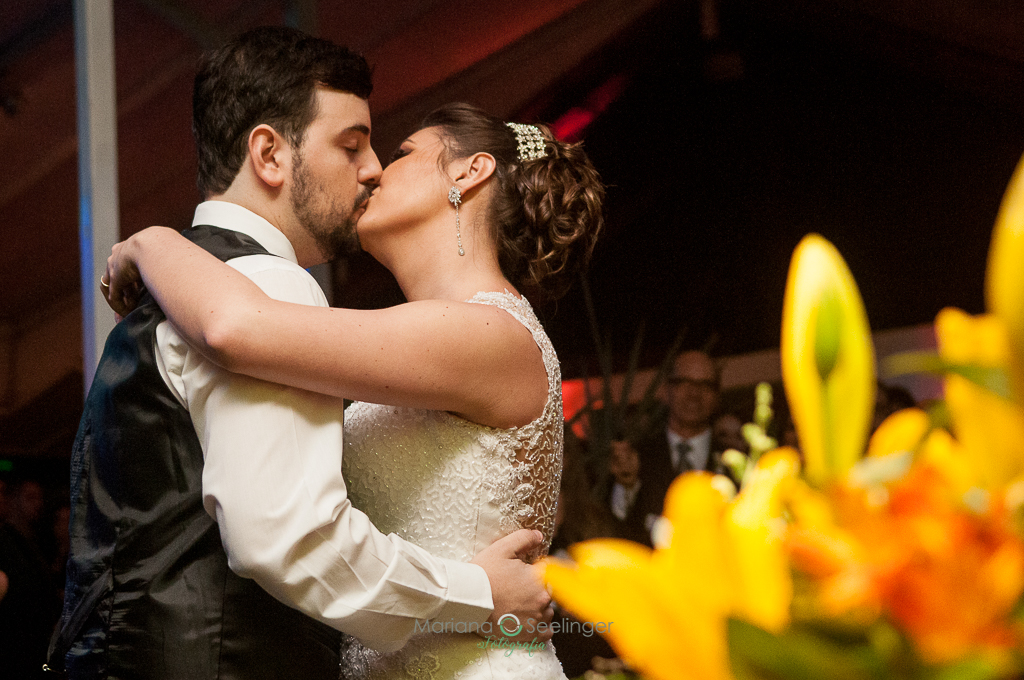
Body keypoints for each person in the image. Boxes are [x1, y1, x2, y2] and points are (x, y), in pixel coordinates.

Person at [55, 28, 555, 680]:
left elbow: (235, 327)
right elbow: (289, 535)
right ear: (268, 154)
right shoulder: (262, 285)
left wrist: (151, 244)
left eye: (388, 150)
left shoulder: (205, 290)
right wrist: (476, 592)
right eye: (353, 145)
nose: (374, 168)